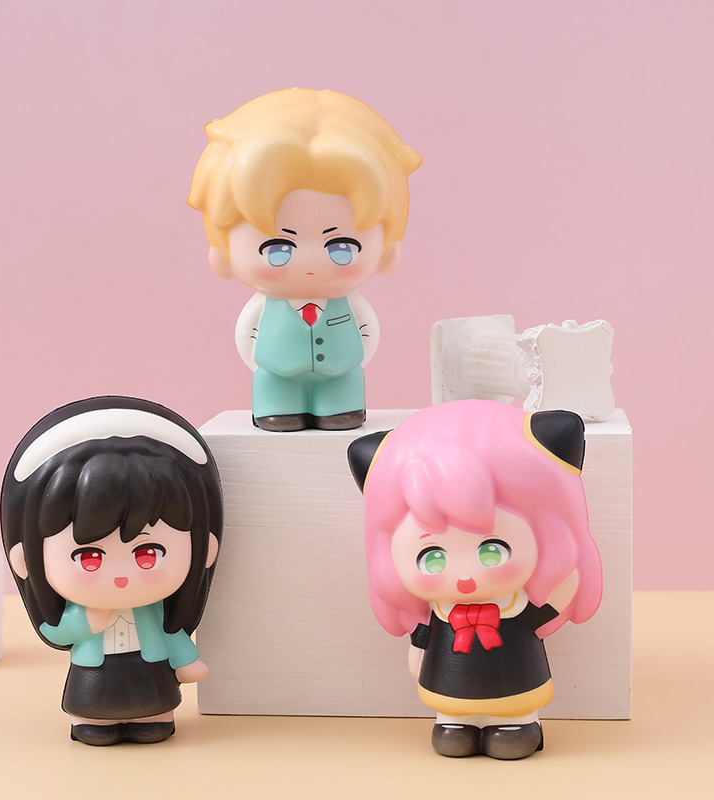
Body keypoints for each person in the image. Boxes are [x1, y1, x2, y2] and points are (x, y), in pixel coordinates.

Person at [348, 399, 602, 758]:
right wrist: (419, 652)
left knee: (513, 727)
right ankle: (454, 723)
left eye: (492, 551)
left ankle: (517, 724)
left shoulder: (515, 605)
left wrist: (564, 585)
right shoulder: (440, 613)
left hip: (518, 681)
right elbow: (421, 640)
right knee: (452, 732)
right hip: (447, 686)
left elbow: (542, 615)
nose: (464, 576)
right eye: (432, 557)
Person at [189, 88, 420, 431]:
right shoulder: (267, 306)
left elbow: (367, 331)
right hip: (277, 375)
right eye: (277, 248)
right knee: (276, 392)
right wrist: (259, 362)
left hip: (341, 374)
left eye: (341, 247)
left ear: (387, 249)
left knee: (341, 397)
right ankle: (278, 410)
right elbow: (247, 333)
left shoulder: (348, 302)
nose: (310, 261)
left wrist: (355, 358)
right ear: (222, 253)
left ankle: (340, 410)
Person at [0, 396, 222, 745]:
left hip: (151, 673)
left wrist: (186, 660)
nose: (121, 577)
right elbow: (57, 632)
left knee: (154, 711)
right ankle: (92, 721)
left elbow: (172, 632)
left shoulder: (154, 610)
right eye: (89, 557)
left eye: (147, 554)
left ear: (204, 548)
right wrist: (83, 623)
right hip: (93, 676)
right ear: (25, 558)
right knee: (93, 709)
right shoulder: (79, 612)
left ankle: (153, 718)